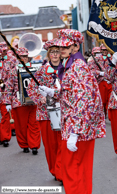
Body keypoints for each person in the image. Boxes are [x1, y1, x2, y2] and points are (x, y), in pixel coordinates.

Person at [39, 29, 106, 194]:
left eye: (65, 46)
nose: (61, 50)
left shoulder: (77, 67)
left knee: (74, 171)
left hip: (77, 128)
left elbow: (84, 102)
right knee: (77, 170)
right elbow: (72, 94)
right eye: (60, 46)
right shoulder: (71, 64)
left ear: (75, 47)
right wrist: (52, 92)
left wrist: (75, 133)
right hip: (75, 126)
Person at [27, 39, 62, 181]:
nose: (54, 54)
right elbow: (31, 88)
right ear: (49, 53)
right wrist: (39, 97)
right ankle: (55, 170)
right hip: (45, 113)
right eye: (52, 52)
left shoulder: (66, 68)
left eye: (57, 51)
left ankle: (61, 171)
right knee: (50, 145)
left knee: (62, 143)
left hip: (63, 110)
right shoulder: (41, 70)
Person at [5, 47, 41, 154]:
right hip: (19, 101)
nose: (23, 58)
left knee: (34, 124)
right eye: (21, 56)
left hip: (33, 101)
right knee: (21, 126)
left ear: (28, 57)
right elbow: (9, 87)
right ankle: (24, 144)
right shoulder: (13, 71)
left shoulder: (35, 68)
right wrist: (7, 102)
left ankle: (34, 145)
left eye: (25, 56)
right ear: (17, 57)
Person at [88, 46, 112, 117]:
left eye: (106, 50)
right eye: (103, 50)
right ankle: (103, 115)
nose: (104, 51)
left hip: (110, 82)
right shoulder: (92, 60)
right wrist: (100, 73)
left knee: (110, 100)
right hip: (101, 82)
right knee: (103, 101)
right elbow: (91, 71)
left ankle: (111, 116)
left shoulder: (111, 59)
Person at [0, 42, 13, 147]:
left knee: (5, 115)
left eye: (5, 50)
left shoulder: (10, 60)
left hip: (5, 91)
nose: (4, 52)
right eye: (2, 50)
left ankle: (4, 138)